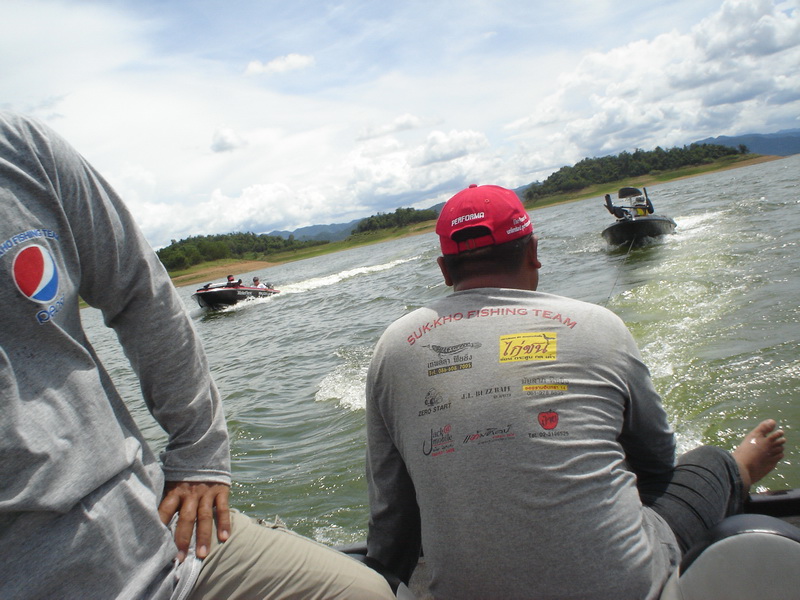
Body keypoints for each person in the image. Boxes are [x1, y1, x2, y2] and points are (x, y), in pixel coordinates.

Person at [0, 111, 395, 600]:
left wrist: (199, 452)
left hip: (159, 535)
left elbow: (141, 293)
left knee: (367, 592)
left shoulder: (20, 146)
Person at [365, 183, 786, 599]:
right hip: (627, 588)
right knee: (709, 462)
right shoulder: (598, 325)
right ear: (533, 252)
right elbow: (656, 464)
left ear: (444, 269)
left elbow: (393, 516)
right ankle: (742, 468)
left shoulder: (393, 347)